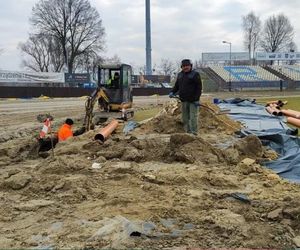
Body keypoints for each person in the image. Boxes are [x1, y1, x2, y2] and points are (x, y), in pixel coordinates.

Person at [169, 59, 202, 135]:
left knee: (193, 117)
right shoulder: (180, 75)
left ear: (190, 66)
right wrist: (172, 92)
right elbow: (177, 86)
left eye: (187, 66)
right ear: (181, 67)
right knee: (185, 118)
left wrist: (197, 99)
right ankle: (188, 132)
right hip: (183, 100)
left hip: (193, 101)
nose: (185, 67)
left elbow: (199, 88)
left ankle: (194, 133)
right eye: (184, 66)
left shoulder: (195, 74)